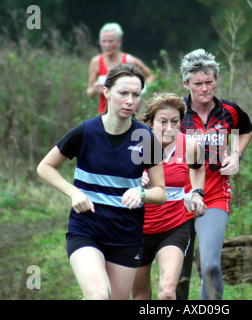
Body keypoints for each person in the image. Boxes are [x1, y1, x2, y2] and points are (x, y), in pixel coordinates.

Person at [37, 63, 166, 300]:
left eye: (136, 95)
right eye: (123, 93)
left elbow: (161, 192)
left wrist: (142, 194)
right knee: (98, 295)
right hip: (86, 230)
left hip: (126, 236)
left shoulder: (145, 138)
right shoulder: (86, 132)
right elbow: (45, 167)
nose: (130, 101)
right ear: (106, 92)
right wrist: (74, 193)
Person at [176, 49, 252, 300]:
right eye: (198, 83)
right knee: (180, 272)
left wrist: (235, 155)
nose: (205, 88)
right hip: (180, 195)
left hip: (215, 195)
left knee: (210, 265)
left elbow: (246, 130)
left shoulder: (229, 110)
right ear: (186, 83)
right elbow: (152, 146)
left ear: (216, 81)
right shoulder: (175, 113)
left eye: (209, 82)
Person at [131, 93, 207, 300]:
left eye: (175, 122)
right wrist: (134, 180)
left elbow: (199, 168)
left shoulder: (189, 146)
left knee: (166, 292)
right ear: (150, 122)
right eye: (162, 122)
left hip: (173, 227)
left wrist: (197, 194)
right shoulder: (135, 147)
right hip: (136, 229)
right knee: (139, 295)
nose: (169, 128)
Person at [87, 23, 156, 114]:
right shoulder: (96, 62)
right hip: (105, 114)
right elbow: (90, 93)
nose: (106, 45)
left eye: (110, 41)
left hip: (129, 113)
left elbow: (151, 75)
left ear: (119, 42)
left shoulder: (129, 60)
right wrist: (94, 90)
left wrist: (140, 90)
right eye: (103, 41)